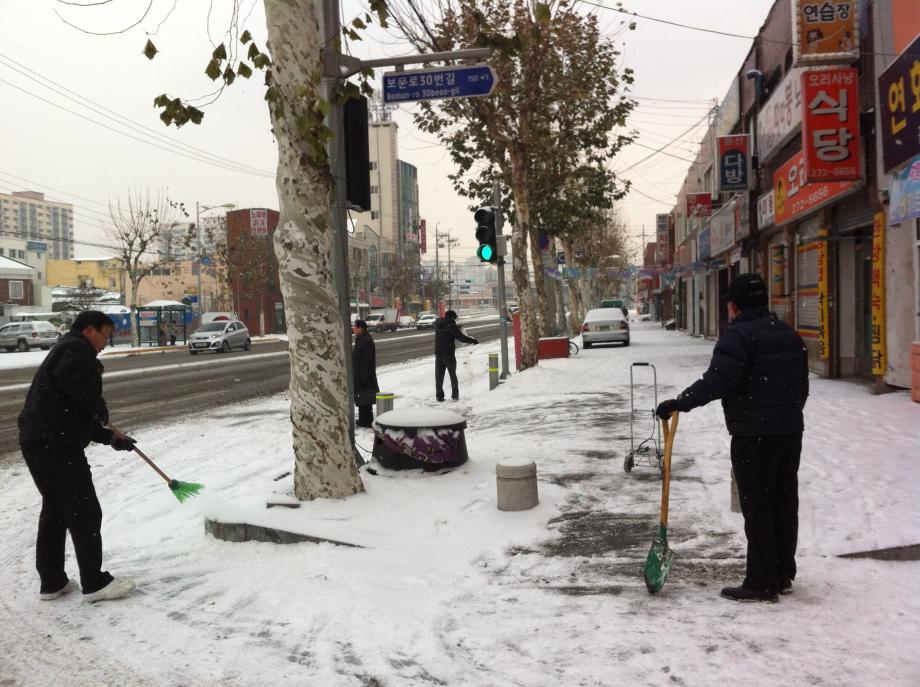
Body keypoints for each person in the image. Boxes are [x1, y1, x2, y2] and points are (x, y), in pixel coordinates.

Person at [656, 274, 808, 603]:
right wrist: (785, 416)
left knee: (758, 506)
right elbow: (800, 388)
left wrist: (678, 403)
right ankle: (782, 573)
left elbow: (717, 382)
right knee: (784, 502)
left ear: (734, 305)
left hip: (754, 435)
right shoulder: (788, 334)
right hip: (789, 431)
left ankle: (761, 581)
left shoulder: (737, 336)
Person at [18, 310, 138, 603]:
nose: (106, 343)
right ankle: (95, 583)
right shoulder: (76, 349)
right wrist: (99, 407)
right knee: (84, 511)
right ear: (89, 331)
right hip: (56, 445)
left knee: (56, 510)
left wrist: (109, 437)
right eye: (105, 335)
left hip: (38, 440)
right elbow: (76, 388)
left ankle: (52, 580)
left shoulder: (65, 350)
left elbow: (68, 410)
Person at [433, 309, 478, 402]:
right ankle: (455, 395)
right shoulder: (451, 326)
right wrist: (473, 340)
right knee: (452, 375)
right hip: (448, 353)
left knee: (439, 376)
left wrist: (455, 327)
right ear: (453, 317)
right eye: (455, 319)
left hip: (438, 353)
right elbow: (461, 338)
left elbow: (446, 328)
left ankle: (439, 396)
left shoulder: (437, 324)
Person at [351, 319, 378, 428]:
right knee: (362, 398)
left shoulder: (366, 340)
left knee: (366, 397)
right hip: (361, 374)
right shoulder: (361, 338)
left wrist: (363, 376)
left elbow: (367, 360)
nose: (353, 328)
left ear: (360, 328)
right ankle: (364, 419)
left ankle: (366, 420)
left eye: (355, 326)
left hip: (365, 375)